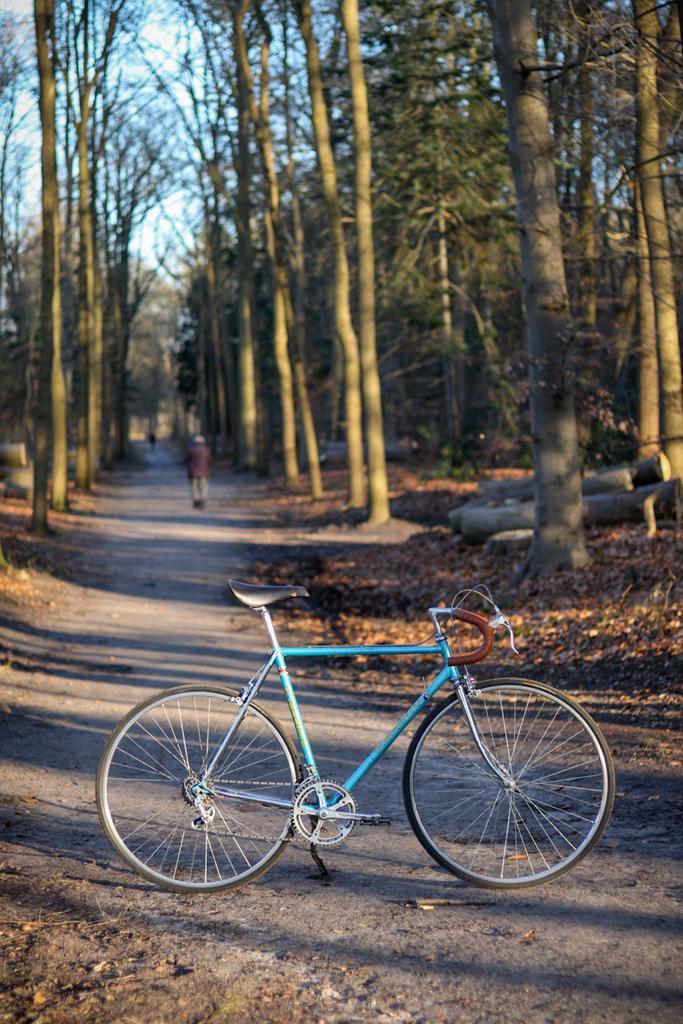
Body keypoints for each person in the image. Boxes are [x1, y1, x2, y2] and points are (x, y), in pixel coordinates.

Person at [186, 434, 211, 509]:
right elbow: (210, 460)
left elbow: (187, 460)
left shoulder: (191, 449)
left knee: (194, 487)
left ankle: (196, 500)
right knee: (203, 486)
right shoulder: (206, 449)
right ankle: (203, 500)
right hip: (204, 472)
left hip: (193, 471)